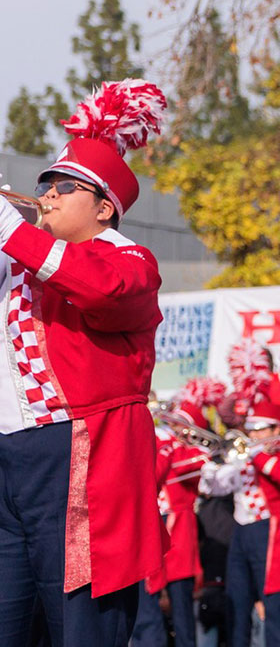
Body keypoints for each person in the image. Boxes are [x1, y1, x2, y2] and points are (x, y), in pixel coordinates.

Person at [0, 79, 167, 645]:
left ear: (103, 209)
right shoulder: (24, 261)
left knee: (79, 631)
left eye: (63, 186)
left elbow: (103, 292)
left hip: (76, 459)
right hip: (8, 459)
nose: (45, 193)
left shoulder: (128, 259)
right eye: (44, 182)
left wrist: (9, 228)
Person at [200, 399, 280, 647]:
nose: (254, 435)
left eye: (261, 429)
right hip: (241, 531)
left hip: (271, 530)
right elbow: (220, 489)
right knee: (236, 600)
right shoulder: (245, 457)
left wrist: (257, 455)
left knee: (274, 604)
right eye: (253, 429)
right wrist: (210, 476)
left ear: (277, 429)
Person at [135, 388, 222, 647]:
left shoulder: (189, 451)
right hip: (152, 527)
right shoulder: (162, 445)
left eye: (184, 425)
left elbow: (206, 466)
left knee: (182, 603)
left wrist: (178, 446)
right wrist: (168, 447)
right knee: (147, 599)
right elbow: (153, 475)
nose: (177, 429)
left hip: (180, 534)